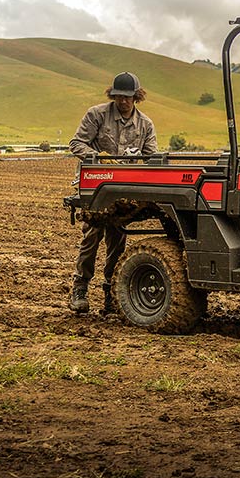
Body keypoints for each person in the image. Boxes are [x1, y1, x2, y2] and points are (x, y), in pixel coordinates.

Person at [67, 71, 157, 314]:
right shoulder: (96, 114)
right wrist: (97, 158)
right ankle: (80, 288)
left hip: (123, 189)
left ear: (137, 97)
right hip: (96, 186)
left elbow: (152, 158)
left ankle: (110, 293)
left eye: (128, 97)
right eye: (119, 97)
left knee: (118, 240)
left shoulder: (145, 125)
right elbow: (76, 143)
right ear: (113, 95)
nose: (123, 101)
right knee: (91, 236)